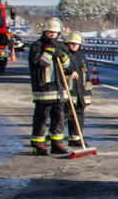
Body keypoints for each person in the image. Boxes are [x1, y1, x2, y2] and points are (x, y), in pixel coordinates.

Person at [28, 18, 70, 156]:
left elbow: (68, 66)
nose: (52, 35)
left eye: (55, 32)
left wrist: (63, 57)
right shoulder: (37, 46)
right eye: (50, 32)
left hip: (59, 89)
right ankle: (38, 145)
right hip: (44, 89)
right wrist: (48, 53)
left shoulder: (61, 46)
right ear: (44, 32)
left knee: (59, 118)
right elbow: (38, 63)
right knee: (41, 118)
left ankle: (57, 144)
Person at [64, 32, 92, 145]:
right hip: (69, 89)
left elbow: (85, 73)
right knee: (65, 115)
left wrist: (87, 91)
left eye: (77, 44)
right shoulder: (65, 54)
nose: (74, 45)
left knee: (79, 114)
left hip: (80, 90)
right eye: (72, 43)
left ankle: (75, 138)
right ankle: (55, 139)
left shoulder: (81, 55)